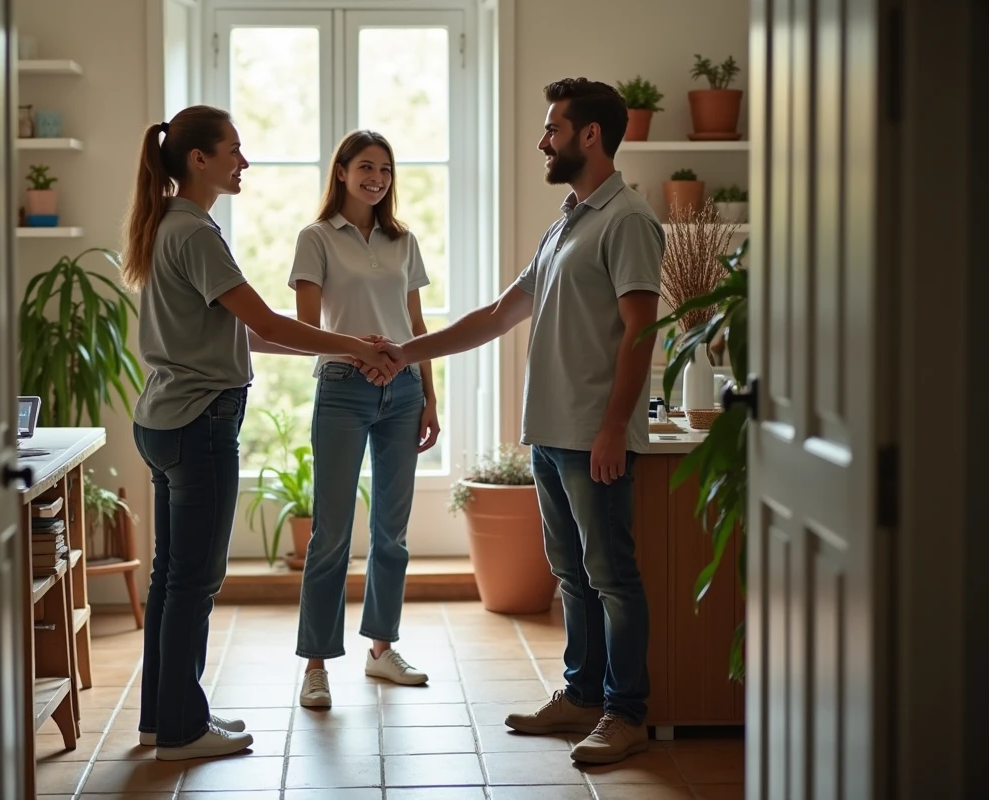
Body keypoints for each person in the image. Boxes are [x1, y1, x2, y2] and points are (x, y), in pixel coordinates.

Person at [374, 78, 663, 765]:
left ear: (589, 135)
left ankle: (627, 714)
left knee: (612, 576)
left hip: (594, 436)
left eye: (552, 128)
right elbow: (499, 314)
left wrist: (613, 427)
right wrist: (407, 353)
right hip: (552, 433)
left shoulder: (627, 220)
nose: (543, 140)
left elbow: (640, 331)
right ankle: (583, 694)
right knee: (572, 574)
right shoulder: (568, 220)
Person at [121, 105, 402, 761]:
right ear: (199, 160)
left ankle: (164, 720)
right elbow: (269, 322)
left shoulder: (168, 224)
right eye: (233, 151)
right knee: (194, 582)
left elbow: (243, 334)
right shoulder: (195, 231)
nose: (242, 162)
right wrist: (352, 344)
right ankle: (183, 731)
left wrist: (338, 349)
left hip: (162, 417)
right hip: (200, 421)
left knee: (171, 579)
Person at [288, 131, 440, 708]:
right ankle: (316, 665)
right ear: (343, 172)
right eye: (366, 168)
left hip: (402, 390)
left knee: (391, 533)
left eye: (386, 169)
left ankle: (381, 651)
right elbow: (305, 330)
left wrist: (429, 396)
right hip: (344, 389)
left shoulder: (404, 241)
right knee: (330, 534)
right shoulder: (316, 238)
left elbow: (417, 326)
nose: (377, 178)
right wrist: (360, 349)